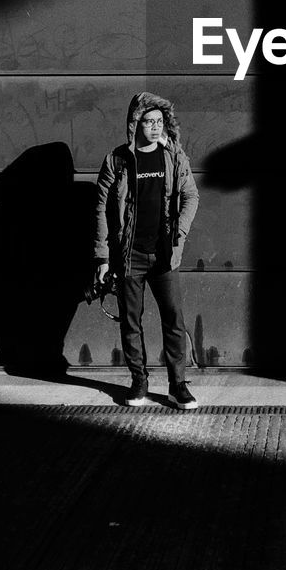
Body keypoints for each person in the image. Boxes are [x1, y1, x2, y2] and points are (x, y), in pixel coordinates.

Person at [93, 91, 200, 408]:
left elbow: (191, 196)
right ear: (134, 124)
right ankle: (139, 381)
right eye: (147, 121)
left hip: (165, 254)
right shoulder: (117, 160)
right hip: (129, 255)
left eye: (159, 121)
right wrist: (101, 257)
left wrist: (178, 235)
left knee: (173, 319)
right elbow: (101, 210)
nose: (154, 126)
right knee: (131, 321)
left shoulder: (174, 156)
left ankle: (177, 385)